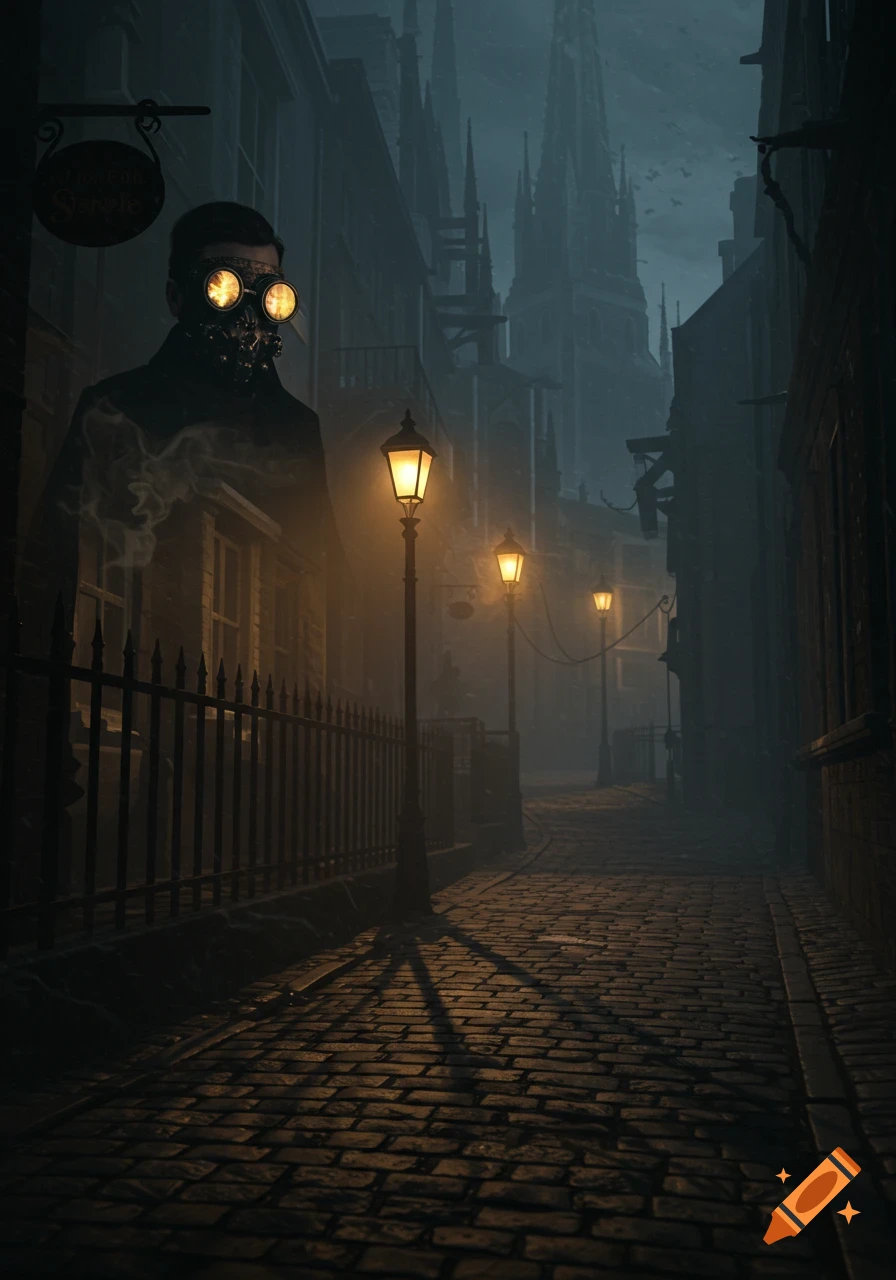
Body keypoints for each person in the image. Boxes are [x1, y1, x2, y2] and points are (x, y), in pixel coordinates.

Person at [22, 201, 340, 652]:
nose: (249, 318)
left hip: (258, 684)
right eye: (225, 289)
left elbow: (320, 580)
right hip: (122, 658)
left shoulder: (297, 429)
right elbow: (54, 558)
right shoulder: (117, 408)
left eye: (268, 294)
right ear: (177, 297)